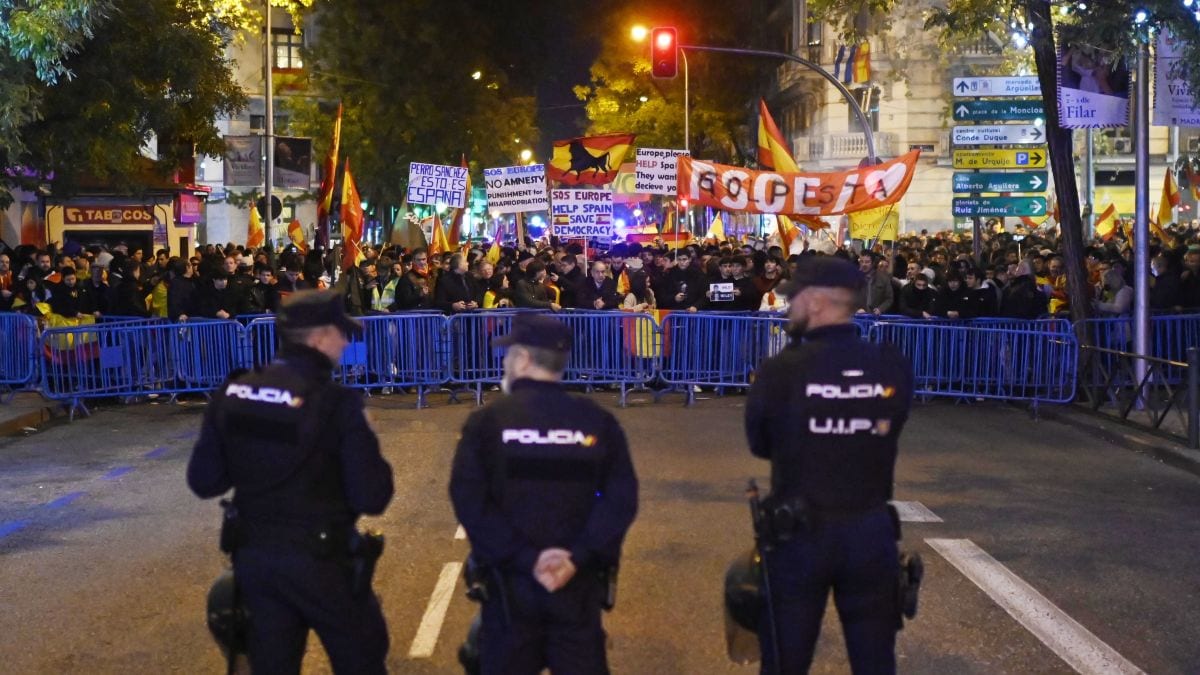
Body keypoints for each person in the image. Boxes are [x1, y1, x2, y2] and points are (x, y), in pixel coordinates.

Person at [187, 289, 394, 674]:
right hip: (325, 564)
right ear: (319, 338)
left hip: (257, 563)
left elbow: (204, 481)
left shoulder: (233, 393)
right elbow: (373, 495)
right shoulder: (337, 403)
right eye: (341, 333)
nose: (346, 342)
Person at [745, 256, 913, 674]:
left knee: (785, 658)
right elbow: (892, 426)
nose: (790, 307)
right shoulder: (889, 365)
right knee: (875, 659)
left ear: (817, 302)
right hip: (870, 531)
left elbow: (760, 444)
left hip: (799, 535)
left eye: (794, 298)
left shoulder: (780, 371)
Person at [450, 314, 638, 675]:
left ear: (522, 359)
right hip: (576, 586)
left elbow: (469, 500)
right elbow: (621, 499)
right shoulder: (597, 421)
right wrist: (578, 556)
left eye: (508, 355)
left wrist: (524, 558)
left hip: (510, 588)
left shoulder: (488, 423)